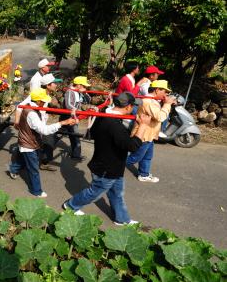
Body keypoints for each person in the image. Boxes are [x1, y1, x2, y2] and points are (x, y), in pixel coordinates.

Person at [63, 92, 152, 225]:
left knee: (117, 193)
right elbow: (132, 146)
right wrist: (143, 125)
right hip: (106, 168)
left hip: (114, 165)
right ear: (128, 107)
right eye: (133, 106)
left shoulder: (104, 114)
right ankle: (71, 205)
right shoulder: (115, 125)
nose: (133, 109)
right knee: (94, 192)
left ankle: (121, 219)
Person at [10, 88, 77, 197]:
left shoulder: (29, 105)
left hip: (28, 140)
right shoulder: (32, 113)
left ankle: (13, 169)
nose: (46, 103)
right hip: (29, 143)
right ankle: (36, 191)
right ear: (38, 101)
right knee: (33, 168)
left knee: (24, 158)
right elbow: (44, 130)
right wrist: (63, 122)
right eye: (44, 101)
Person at [127, 80, 175, 183]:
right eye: (165, 91)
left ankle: (143, 174)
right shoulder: (148, 101)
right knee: (135, 158)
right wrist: (167, 104)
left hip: (150, 134)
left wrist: (166, 103)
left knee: (147, 156)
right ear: (157, 90)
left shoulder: (154, 100)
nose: (166, 94)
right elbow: (160, 117)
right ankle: (110, 165)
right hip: (143, 134)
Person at [15, 73, 62, 171]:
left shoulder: (48, 94)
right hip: (35, 124)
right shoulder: (37, 94)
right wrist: (16, 122)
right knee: (30, 146)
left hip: (41, 123)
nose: (56, 85)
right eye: (54, 83)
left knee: (38, 145)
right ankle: (16, 167)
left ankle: (40, 162)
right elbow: (20, 107)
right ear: (48, 85)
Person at [62, 76, 92, 161]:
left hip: (75, 116)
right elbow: (68, 105)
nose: (85, 87)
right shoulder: (70, 91)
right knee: (74, 134)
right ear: (78, 85)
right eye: (84, 85)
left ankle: (75, 154)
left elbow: (88, 100)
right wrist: (78, 110)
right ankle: (76, 155)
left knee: (72, 134)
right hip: (68, 116)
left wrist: (85, 92)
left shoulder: (79, 91)